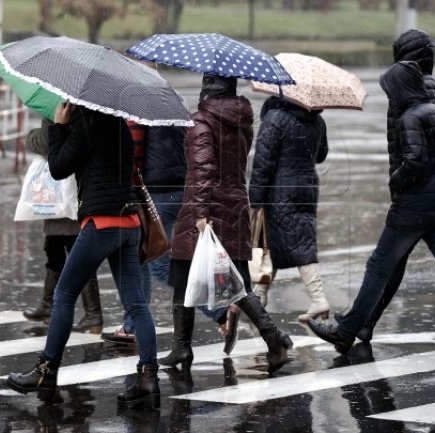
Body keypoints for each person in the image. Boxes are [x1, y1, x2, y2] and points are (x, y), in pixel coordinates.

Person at [308, 61, 435, 364]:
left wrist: (396, 178)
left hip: (411, 210)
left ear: (401, 88)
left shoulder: (410, 117)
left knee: (378, 267)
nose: (390, 96)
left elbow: (415, 160)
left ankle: (346, 331)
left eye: (390, 90)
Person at [7, 102, 160, 408]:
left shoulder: (85, 121)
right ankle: (148, 378)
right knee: (136, 304)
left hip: (101, 222)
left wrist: (60, 126)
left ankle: (46, 371)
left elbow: (59, 167)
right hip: (129, 223)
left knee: (64, 294)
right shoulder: (120, 124)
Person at [158, 73, 293, 374]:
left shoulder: (201, 123)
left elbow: (204, 170)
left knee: (186, 276)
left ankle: (184, 347)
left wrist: (200, 213)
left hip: (205, 210)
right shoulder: (241, 122)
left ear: (207, 88)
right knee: (236, 286)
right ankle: (273, 338)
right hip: (235, 208)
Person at [102, 123, 230, 345]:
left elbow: (134, 155)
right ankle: (132, 325)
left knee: (159, 264)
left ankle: (220, 310)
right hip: (179, 188)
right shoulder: (173, 105)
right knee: (141, 256)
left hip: (156, 192)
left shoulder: (139, 110)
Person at [248, 96, 331, 322]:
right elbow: (321, 154)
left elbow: (263, 162)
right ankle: (259, 295)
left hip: (280, 189)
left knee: (292, 242)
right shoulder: (317, 121)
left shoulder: (275, 118)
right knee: (277, 241)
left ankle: (318, 299)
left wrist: (255, 197)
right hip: (307, 187)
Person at [22, 117, 103, 334]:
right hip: (70, 192)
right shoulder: (84, 110)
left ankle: (93, 314)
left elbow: (44, 142)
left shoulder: (59, 110)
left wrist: (31, 135)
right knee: (56, 250)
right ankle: (50, 306)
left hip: (65, 191)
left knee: (74, 252)